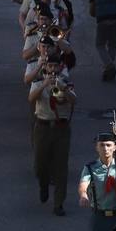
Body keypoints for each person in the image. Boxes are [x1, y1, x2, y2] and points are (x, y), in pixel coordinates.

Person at [28, 51, 75, 215]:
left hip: (61, 128)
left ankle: (58, 203)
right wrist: (44, 85)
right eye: (50, 66)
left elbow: (74, 100)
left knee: (61, 166)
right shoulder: (38, 81)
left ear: (60, 67)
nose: (53, 69)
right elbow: (31, 99)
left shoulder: (66, 82)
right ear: (46, 67)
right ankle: (43, 183)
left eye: (56, 66)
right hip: (43, 127)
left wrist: (62, 88)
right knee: (40, 165)